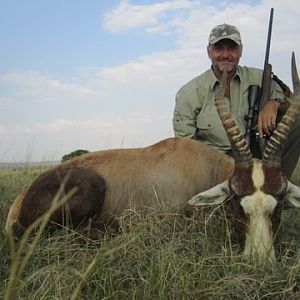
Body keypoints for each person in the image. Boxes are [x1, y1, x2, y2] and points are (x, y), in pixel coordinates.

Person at [173, 23, 300, 178]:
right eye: (219, 48)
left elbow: (293, 103)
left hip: (256, 154)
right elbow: (185, 149)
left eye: (232, 48)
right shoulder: (189, 93)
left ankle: (278, 183)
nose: (226, 55)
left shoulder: (259, 78)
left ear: (240, 51)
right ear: (209, 52)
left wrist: (275, 104)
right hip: (215, 168)